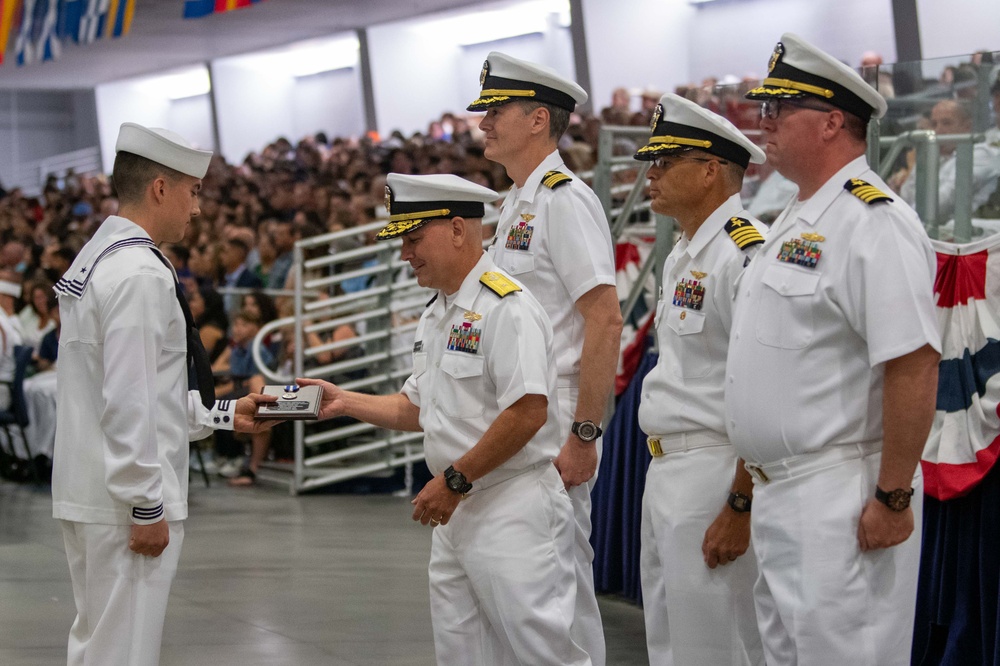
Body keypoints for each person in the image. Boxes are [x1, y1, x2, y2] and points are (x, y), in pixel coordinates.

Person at [298, 173, 588, 666]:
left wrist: (455, 479)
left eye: (414, 239)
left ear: (457, 229)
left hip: (509, 506)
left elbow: (528, 412)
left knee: (541, 653)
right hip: (456, 510)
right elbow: (417, 408)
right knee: (462, 654)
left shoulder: (507, 307)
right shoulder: (438, 312)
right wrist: (343, 401)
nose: (406, 254)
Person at [729, 33, 941, 664]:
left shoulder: (873, 221)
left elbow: (913, 361)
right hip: (782, 494)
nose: (762, 123)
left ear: (830, 122)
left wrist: (893, 494)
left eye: (778, 110)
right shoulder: (797, 217)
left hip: (840, 492)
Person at [51, 122, 278, 666]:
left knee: (99, 645)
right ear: (159, 188)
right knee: (122, 653)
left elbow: (147, 388)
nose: (197, 208)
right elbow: (128, 398)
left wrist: (222, 415)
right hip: (124, 500)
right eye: (192, 191)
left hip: (94, 490)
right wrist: (145, 502)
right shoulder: (137, 273)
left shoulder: (103, 258)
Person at [468, 52, 621, 665]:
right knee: (530, 582)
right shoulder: (515, 206)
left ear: (537, 120)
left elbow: (603, 316)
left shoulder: (563, 199)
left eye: (496, 111)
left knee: (557, 577)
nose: (483, 123)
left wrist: (585, 432)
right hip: (519, 411)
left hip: (556, 413)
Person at [633, 93, 766, 665]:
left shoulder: (744, 253)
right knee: (671, 640)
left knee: (720, 642)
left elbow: (758, 389)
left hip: (716, 467)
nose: (652, 175)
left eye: (666, 162)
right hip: (667, 466)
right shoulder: (683, 253)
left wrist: (741, 502)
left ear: (711, 170)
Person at [898, 99, 1000, 220]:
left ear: (967, 127)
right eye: (934, 124)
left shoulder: (982, 155)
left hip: (967, 234)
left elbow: (941, 204)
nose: (937, 131)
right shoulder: (933, 154)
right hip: (926, 228)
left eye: (946, 123)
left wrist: (903, 216)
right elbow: (905, 195)